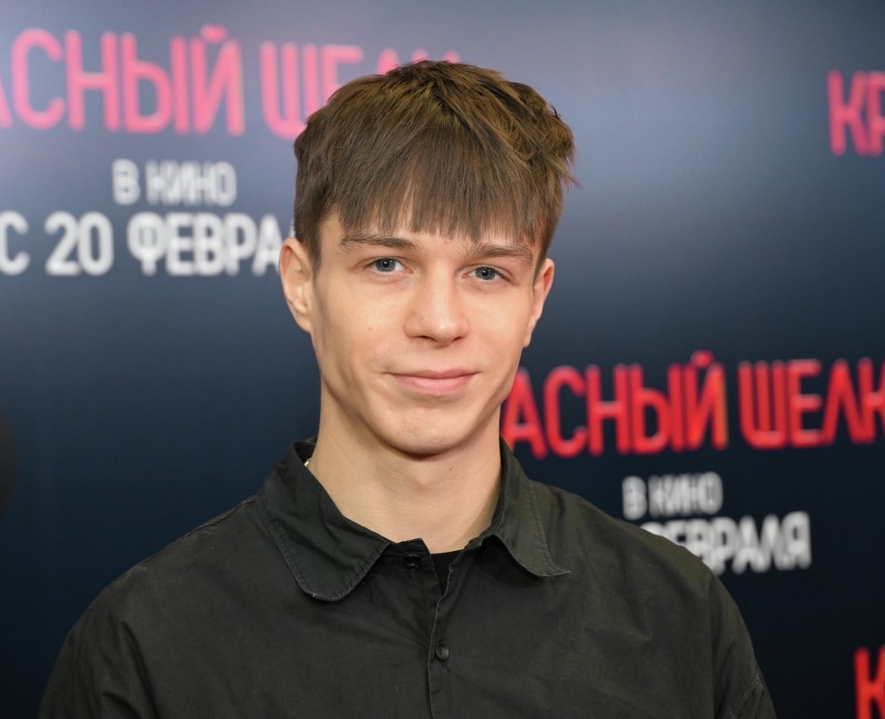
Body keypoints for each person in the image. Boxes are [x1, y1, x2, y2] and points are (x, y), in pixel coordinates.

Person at [39, 61, 775, 718]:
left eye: (487, 272)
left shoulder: (678, 613)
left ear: (536, 299)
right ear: (301, 283)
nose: (439, 322)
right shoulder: (145, 646)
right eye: (388, 264)